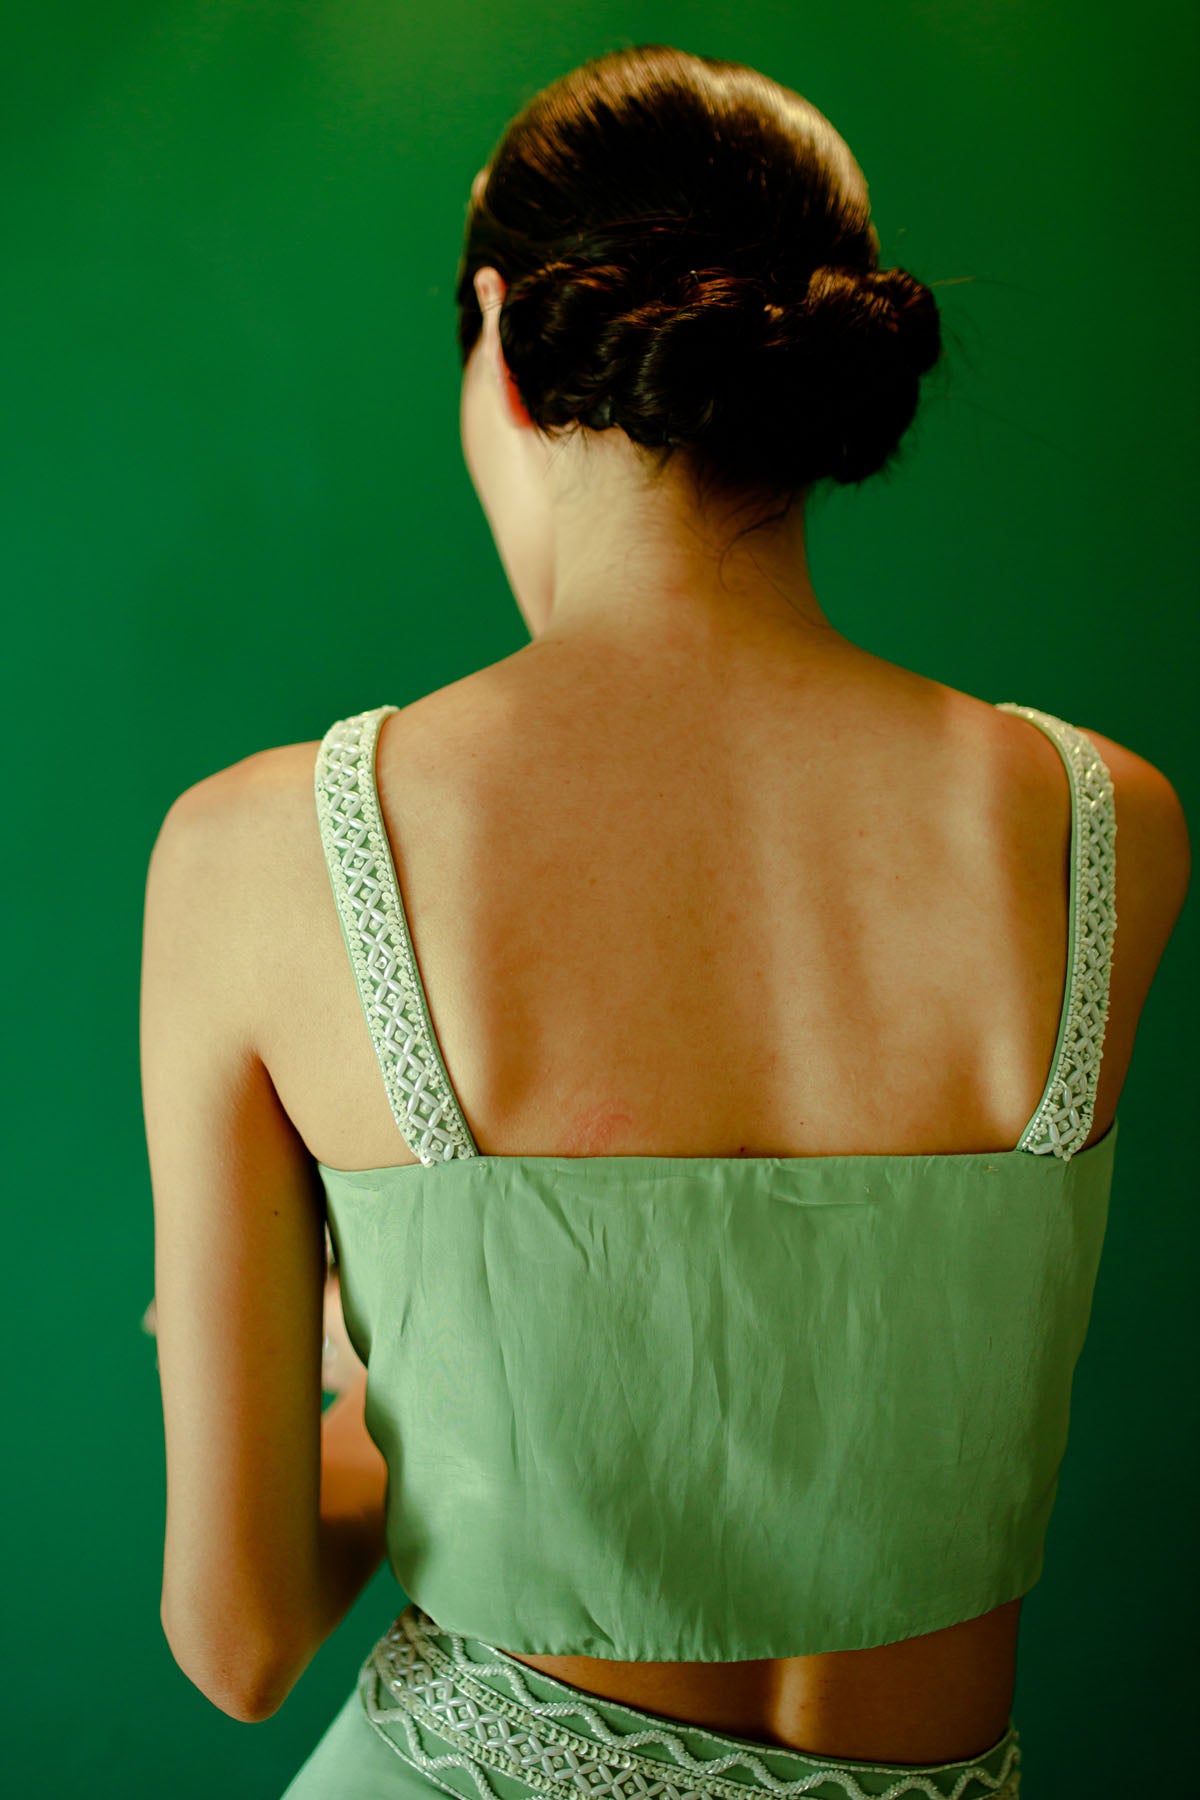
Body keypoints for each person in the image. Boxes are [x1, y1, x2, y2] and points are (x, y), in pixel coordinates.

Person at [140, 43, 1191, 1800]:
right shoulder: (1109, 829)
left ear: (508, 341)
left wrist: (363, 1372)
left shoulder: (260, 852)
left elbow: (235, 1640)